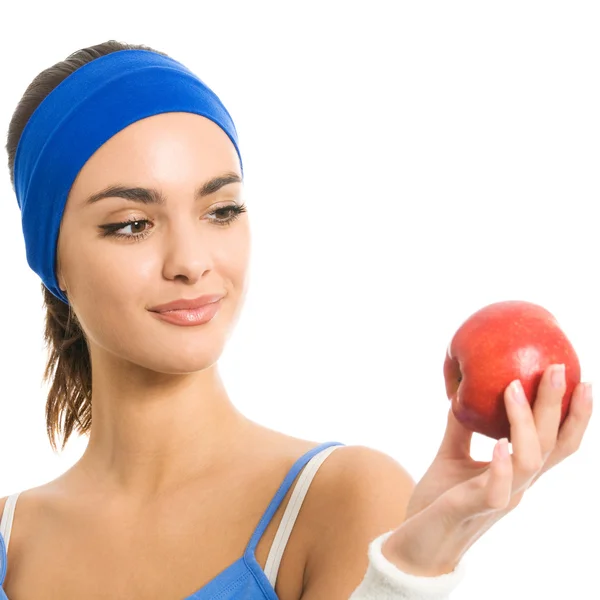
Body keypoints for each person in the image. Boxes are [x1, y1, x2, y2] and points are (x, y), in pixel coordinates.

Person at [0, 40, 593, 600]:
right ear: (51, 258)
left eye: (221, 210)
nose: (192, 262)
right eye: (132, 224)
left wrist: (411, 568)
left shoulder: (340, 499)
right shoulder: (9, 536)